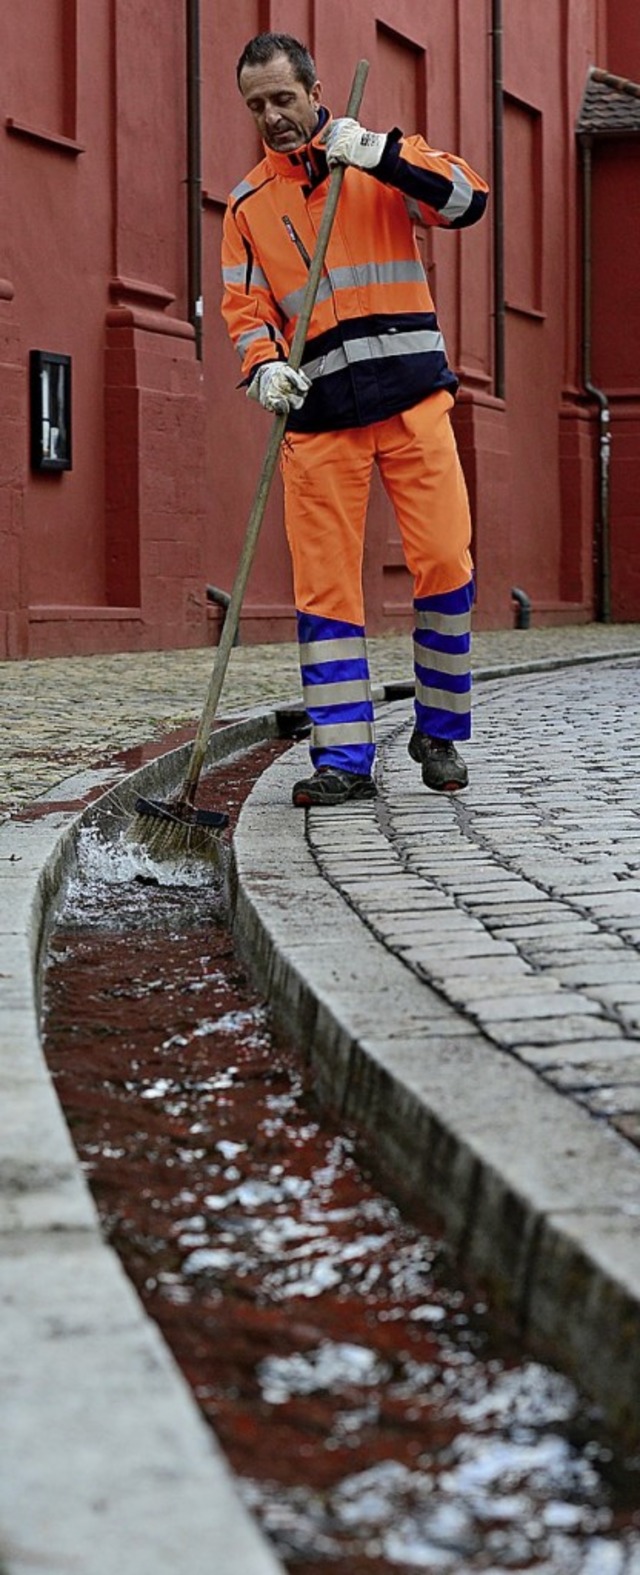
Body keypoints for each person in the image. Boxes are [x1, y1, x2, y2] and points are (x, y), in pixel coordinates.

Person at [221, 32, 489, 807]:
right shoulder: (246, 207)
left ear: (313, 89)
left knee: (445, 561)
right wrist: (264, 364)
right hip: (320, 421)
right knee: (327, 591)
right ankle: (343, 758)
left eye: (282, 98)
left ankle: (437, 731)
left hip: (411, 402)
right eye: (257, 106)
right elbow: (246, 311)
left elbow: (468, 200)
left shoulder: (376, 159)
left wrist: (380, 153)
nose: (273, 116)